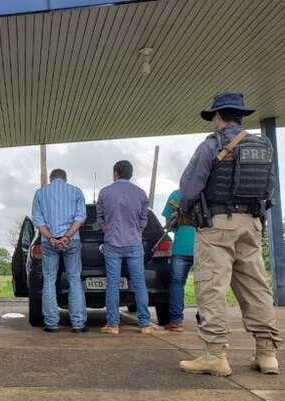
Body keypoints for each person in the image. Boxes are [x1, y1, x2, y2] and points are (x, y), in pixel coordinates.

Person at [178, 92, 279, 376]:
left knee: (211, 286)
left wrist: (185, 210)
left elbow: (189, 188)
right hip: (252, 224)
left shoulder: (213, 144)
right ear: (241, 115)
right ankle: (267, 353)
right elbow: (268, 188)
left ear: (217, 117)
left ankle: (215, 355)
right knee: (256, 287)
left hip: (218, 224)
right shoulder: (263, 145)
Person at [97, 160, 158, 335]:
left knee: (113, 284)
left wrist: (107, 230)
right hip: (134, 243)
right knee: (139, 283)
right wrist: (136, 231)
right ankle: (145, 324)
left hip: (112, 243)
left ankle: (113, 324)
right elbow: (143, 219)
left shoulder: (105, 192)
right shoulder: (140, 193)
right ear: (130, 174)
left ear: (115, 173)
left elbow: (100, 218)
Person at [31, 169, 88, 333]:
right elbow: (80, 217)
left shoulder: (40, 193)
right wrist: (67, 237)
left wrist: (51, 238)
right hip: (72, 240)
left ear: (50, 178)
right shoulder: (76, 191)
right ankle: (78, 324)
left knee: (49, 280)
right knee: (75, 279)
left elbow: (37, 220)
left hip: (48, 242)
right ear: (65, 178)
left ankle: (51, 323)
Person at [161, 190, 195, 333]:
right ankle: (207, 319)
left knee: (177, 283)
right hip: (204, 246)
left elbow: (168, 223)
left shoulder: (175, 195)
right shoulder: (205, 192)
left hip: (181, 246)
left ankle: (176, 321)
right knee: (207, 284)